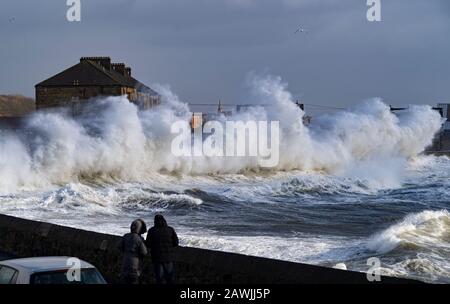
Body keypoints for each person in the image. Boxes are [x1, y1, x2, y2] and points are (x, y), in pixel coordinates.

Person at [145, 214, 179, 284]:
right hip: (168, 258)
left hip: (157, 258)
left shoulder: (152, 230)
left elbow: (148, 244)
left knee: (159, 279)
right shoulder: (170, 229)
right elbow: (176, 243)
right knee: (170, 279)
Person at [118, 219, 148, 284]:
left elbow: (119, 246)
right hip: (135, 266)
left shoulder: (126, 236)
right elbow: (144, 252)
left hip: (125, 263)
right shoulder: (139, 239)